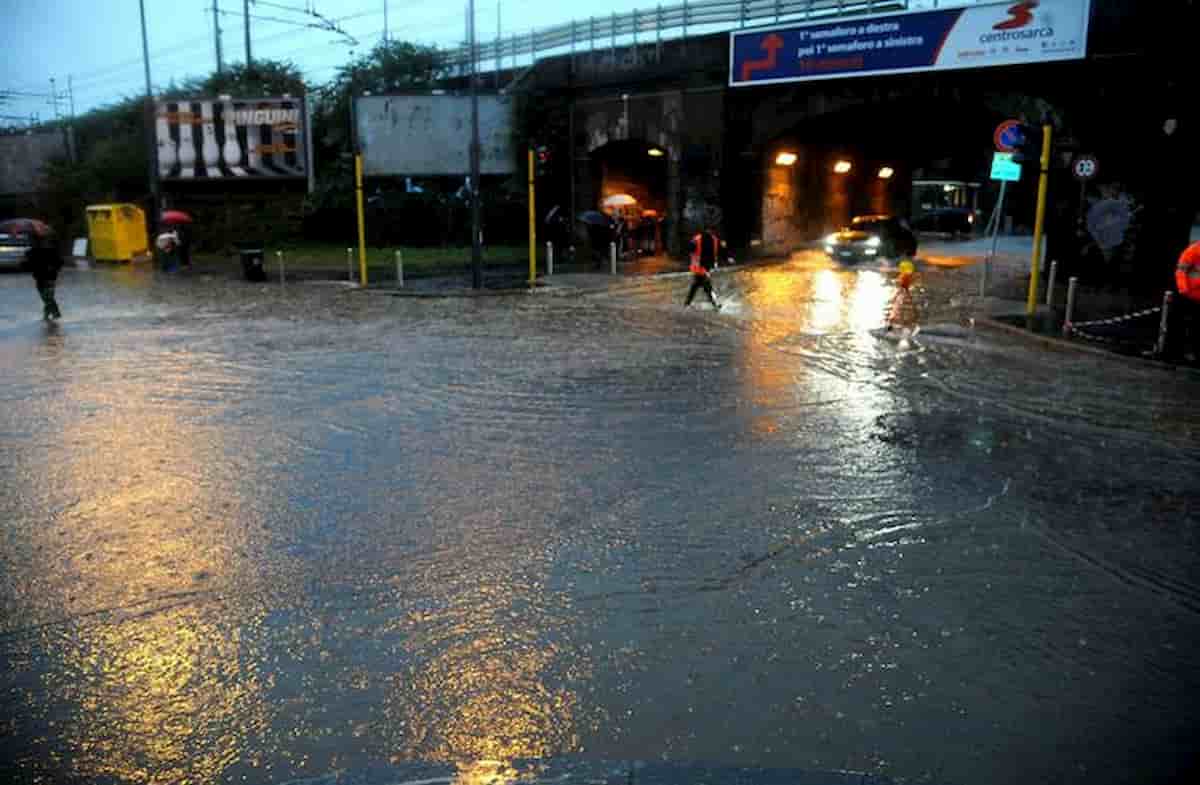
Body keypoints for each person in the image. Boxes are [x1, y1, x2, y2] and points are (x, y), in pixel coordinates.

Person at [25, 234, 64, 321]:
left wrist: (53, 267)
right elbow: (28, 266)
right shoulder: (31, 252)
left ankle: (55, 313)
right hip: (40, 278)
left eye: (32, 240)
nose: (31, 242)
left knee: (48, 296)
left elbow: (60, 262)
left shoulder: (50, 251)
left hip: (49, 277)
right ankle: (47, 314)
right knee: (46, 297)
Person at [685, 226, 723, 310]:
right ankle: (715, 303)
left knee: (696, 285)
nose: (710, 232)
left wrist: (727, 257)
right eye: (708, 230)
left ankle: (687, 303)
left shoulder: (714, 240)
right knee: (707, 285)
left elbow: (719, 250)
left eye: (711, 230)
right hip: (698, 267)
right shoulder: (697, 240)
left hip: (705, 267)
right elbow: (690, 249)